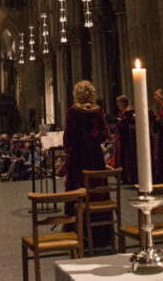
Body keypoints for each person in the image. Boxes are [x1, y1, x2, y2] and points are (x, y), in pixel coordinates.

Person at [63, 80, 109, 245]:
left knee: (78, 189)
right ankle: (100, 233)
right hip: (95, 157)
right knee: (97, 190)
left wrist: (69, 149)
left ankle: (76, 230)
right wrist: (95, 142)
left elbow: (68, 135)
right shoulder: (98, 111)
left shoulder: (72, 112)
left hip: (78, 158)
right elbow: (104, 133)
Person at [114, 95, 137, 185]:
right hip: (121, 137)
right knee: (121, 157)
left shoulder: (129, 112)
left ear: (123, 103)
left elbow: (131, 124)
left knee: (127, 158)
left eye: (119, 102)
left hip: (128, 138)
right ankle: (123, 177)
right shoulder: (120, 112)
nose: (117, 104)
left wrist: (121, 124)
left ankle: (129, 177)